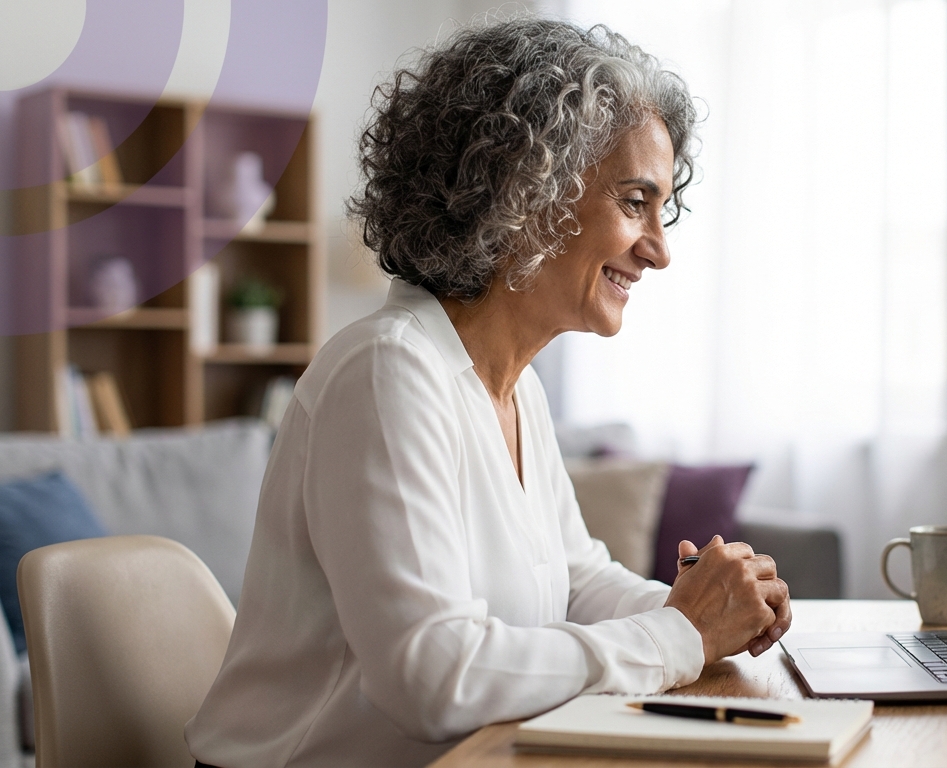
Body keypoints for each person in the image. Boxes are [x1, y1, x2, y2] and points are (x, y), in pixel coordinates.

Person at [185, 18, 790, 767]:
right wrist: (682, 634)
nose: (660, 249)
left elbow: (572, 580)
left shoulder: (515, 390)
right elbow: (431, 677)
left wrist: (712, 608)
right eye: (636, 202)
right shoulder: (387, 374)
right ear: (529, 190)